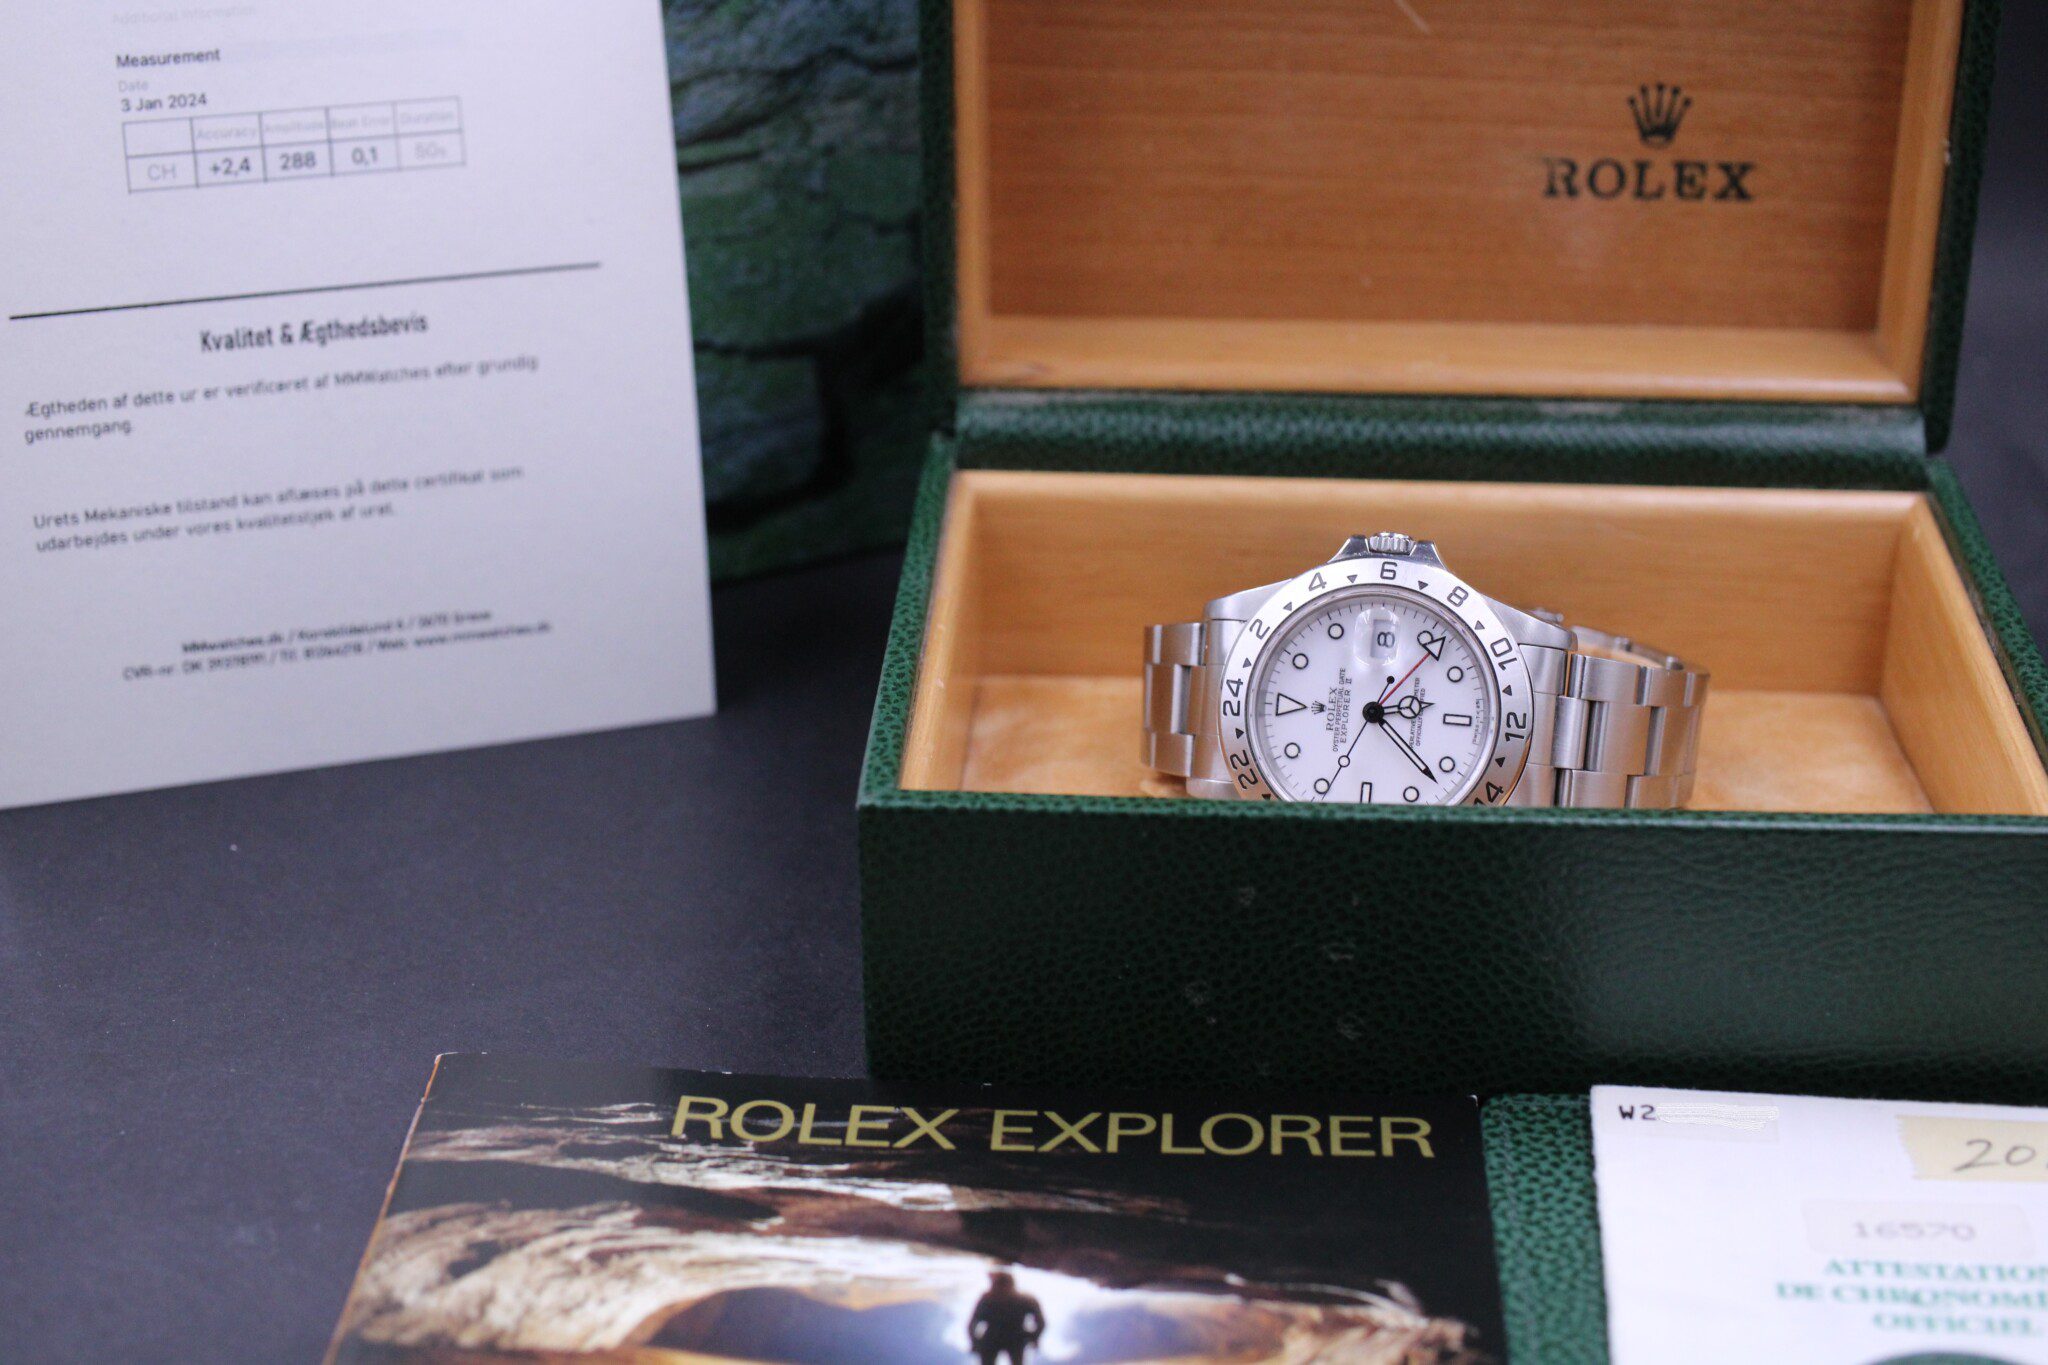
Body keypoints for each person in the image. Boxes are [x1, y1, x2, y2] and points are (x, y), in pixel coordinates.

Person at [966, 1269, 1044, 1365]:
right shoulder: (1025, 1300)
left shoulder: (988, 1299)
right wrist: (1033, 1337)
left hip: (1006, 1337)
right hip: (1008, 1337)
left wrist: (975, 1342)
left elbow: (973, 1323)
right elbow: (1041, 1323)